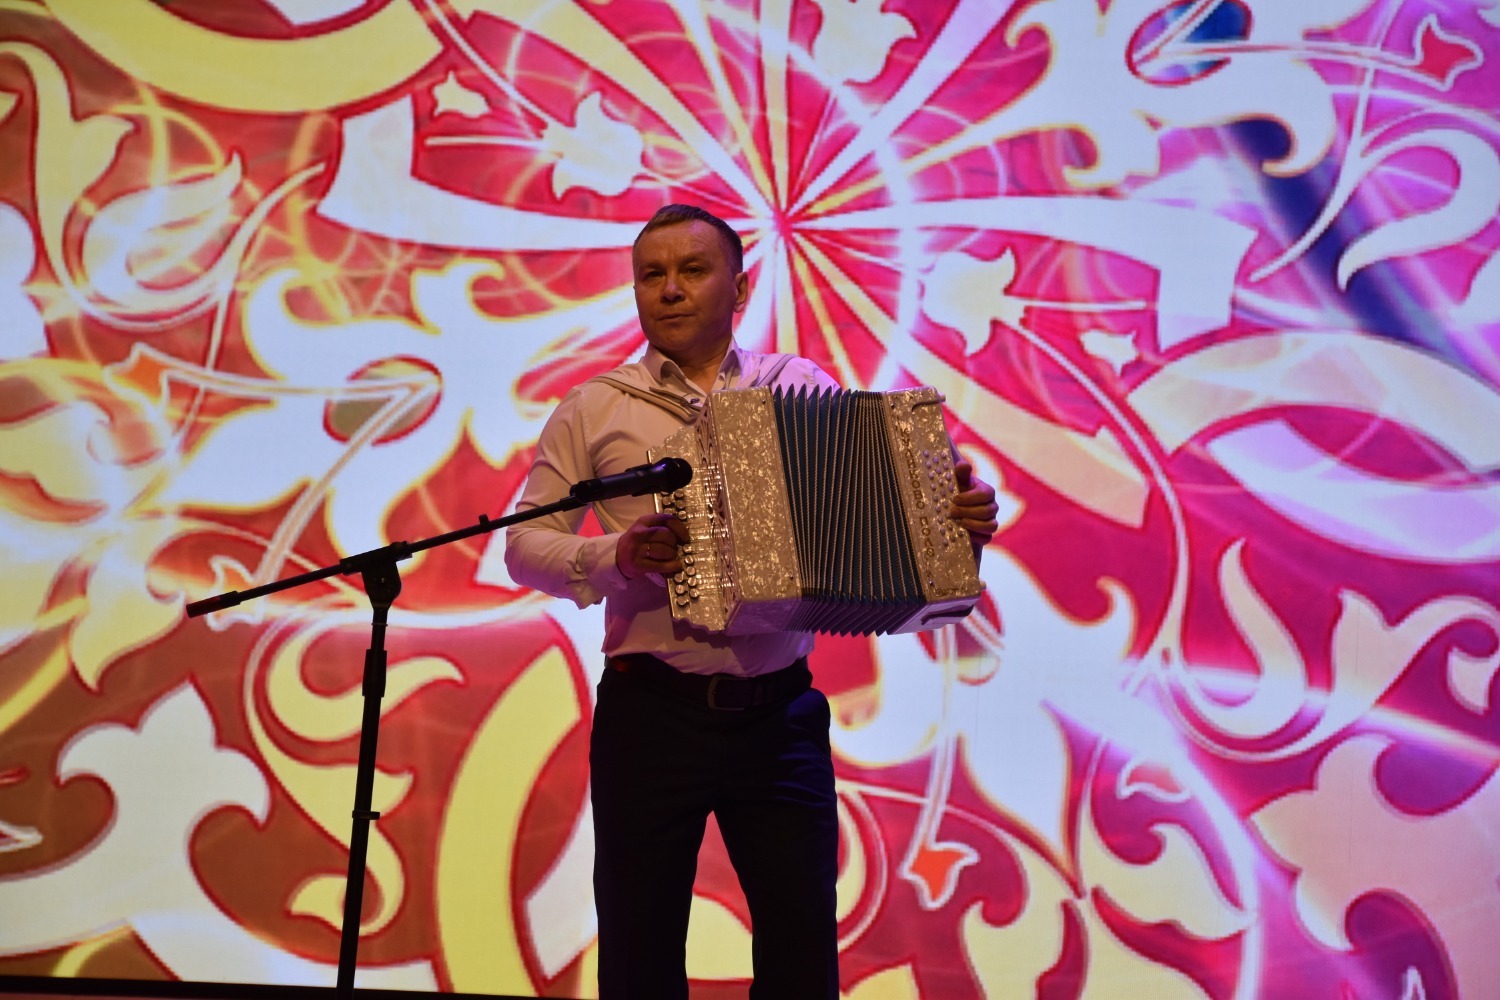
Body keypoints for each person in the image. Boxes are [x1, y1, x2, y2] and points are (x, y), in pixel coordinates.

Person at [505, 204, 999, 999]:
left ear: (738, 289)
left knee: (801, 951)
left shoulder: (797, 388)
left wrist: (954, 524)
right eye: (651, 275)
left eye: (691, 271)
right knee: (638, 948)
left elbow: (872, 516)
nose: (669, 289)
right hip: (651, 714)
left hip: (780, 717)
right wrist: (614, 555)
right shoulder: (595, 408)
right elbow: (525, 545)